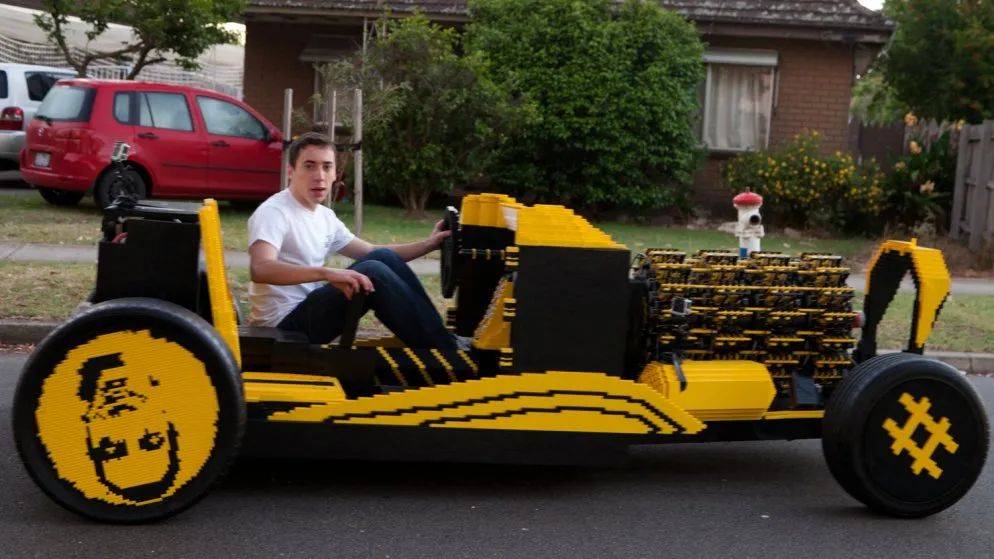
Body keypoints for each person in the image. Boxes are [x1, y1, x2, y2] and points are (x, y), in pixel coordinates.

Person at [247, 132, 458, 349]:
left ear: (335, 174)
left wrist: (428, 244)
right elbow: (261, 269)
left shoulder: (324, 216)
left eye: (326, 167)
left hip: (309, 309)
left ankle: (442, 341)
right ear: (291, 171)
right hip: (282, 325)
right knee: (372, 271)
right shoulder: (274, 212)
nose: (319, 176)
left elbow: (370, 250)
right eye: (309, 166)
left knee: (382, 257)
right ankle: (445, 350)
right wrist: (327, 273)